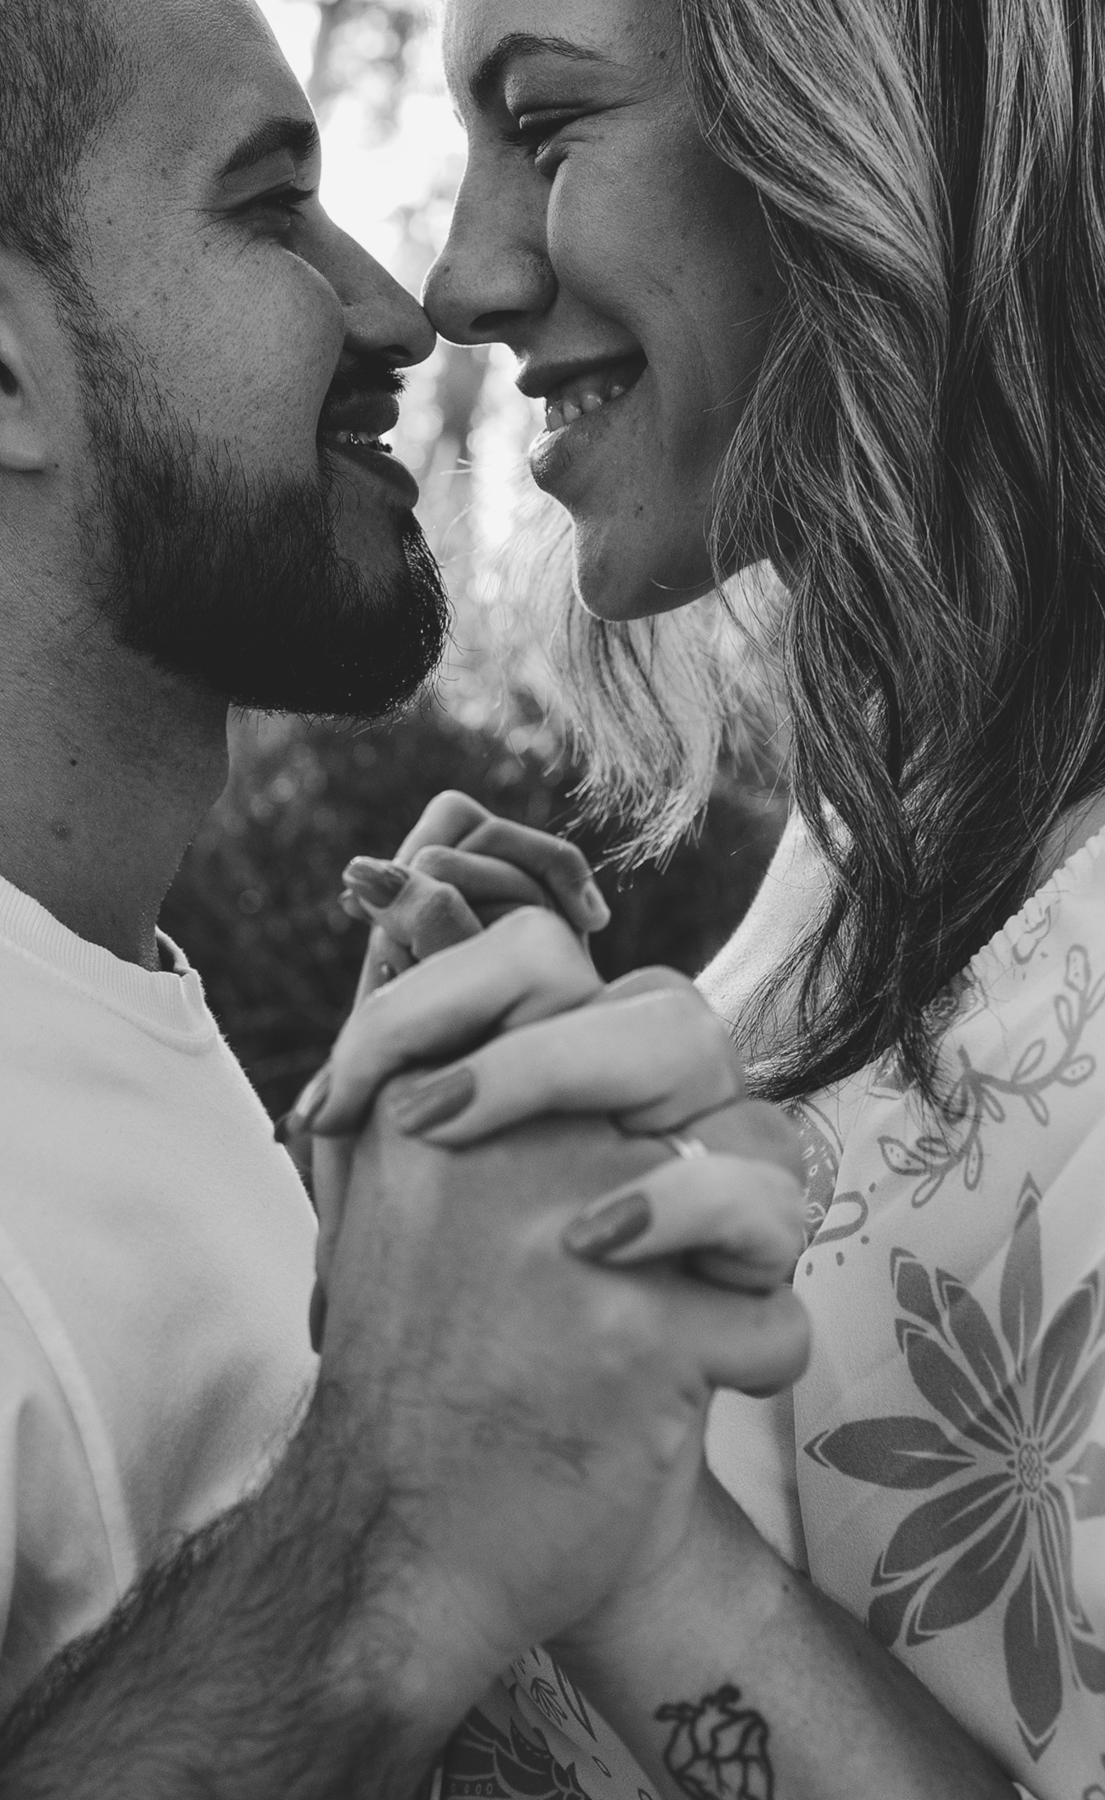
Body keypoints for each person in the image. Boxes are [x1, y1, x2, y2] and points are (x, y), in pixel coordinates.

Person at [0, 0, 818, 1793]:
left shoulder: (66, 990)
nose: (402, 308)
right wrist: (393, 1495)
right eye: (268, 211)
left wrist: (409, 1277)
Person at [308, 0, 1105, 1794]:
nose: (458, 281)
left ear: (871, 120)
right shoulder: (877, 832)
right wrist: (489, 1225)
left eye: (548, 126)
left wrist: (635, 1545)